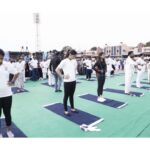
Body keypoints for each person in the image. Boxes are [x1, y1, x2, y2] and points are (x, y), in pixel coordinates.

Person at [0, 49, 19, 138]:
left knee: (7, 113)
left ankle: (9, 130)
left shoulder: (7, 65)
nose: (0, 60)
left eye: (1, 58)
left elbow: (16, 73)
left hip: (7, 95)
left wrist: (12, 82)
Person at [56, 49, 78, 116]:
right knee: (66, 96)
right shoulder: (64, 61)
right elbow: (57, 69)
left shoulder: (74, 61)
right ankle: (65, 110)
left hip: (73, 81)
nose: (75, 57)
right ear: (70, 54)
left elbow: (74, 69)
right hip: (67, 82)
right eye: (74, 56)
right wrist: (63, 76)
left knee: (72, 95)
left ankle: (72, 108)